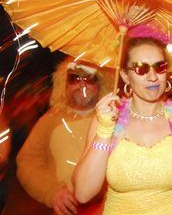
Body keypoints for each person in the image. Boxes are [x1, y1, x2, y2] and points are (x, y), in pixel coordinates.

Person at [73, 24, 172, 215]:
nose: (152, 76)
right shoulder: (108, 119)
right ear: (125, 75)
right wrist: (105, 130)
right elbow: (83, 193)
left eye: (160, 67)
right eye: (141, 68)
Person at [16, 58, 113, 215]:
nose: (82, 84)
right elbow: (27, 162)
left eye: (89, 79)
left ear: (100, 84)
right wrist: (53, 191)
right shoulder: (49, 120)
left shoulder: (114, 120)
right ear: (64, 84)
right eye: (74, 78)